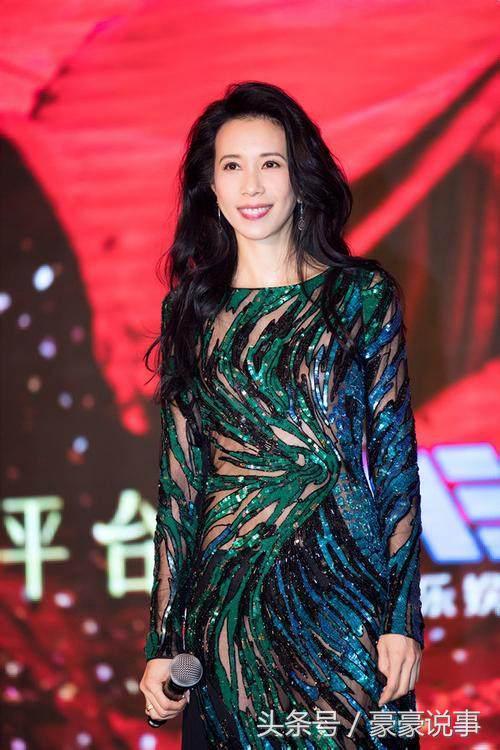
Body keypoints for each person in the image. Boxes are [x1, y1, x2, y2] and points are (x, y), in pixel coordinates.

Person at [139, 81, 425, 749]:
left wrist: (402, 617)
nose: (252, 184)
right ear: (210, 186)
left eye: (270, 162)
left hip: (346, 607)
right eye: (231, 166)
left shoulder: (360, 297)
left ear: (300, 177)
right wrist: (163, 640)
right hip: (227, 617)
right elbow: (181, 487)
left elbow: (394, 464)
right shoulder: (192, 312)